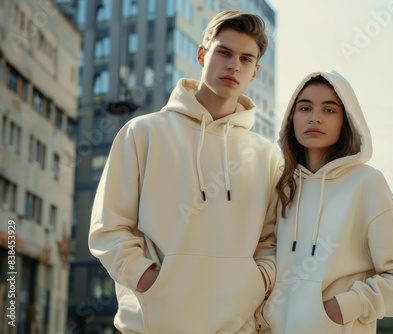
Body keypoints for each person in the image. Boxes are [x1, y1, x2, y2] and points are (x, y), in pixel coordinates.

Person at [88, 11, 281, 334]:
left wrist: (255, 283)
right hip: (154, 324)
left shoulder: (266, 156)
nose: (234, 65)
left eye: (246, 59)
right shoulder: (143, 133)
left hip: (237, 327)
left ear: (255, 72)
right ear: (202, 54)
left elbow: (272, 242)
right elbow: (109, 228)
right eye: (224, 53)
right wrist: (154, 283)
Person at [260, 71, 393, 334]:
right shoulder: (282, 187)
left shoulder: (367, 184)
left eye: (329, 110)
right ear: (292, 118)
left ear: (345, 120)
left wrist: (340, 309)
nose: (314, 117)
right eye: (305, 108)